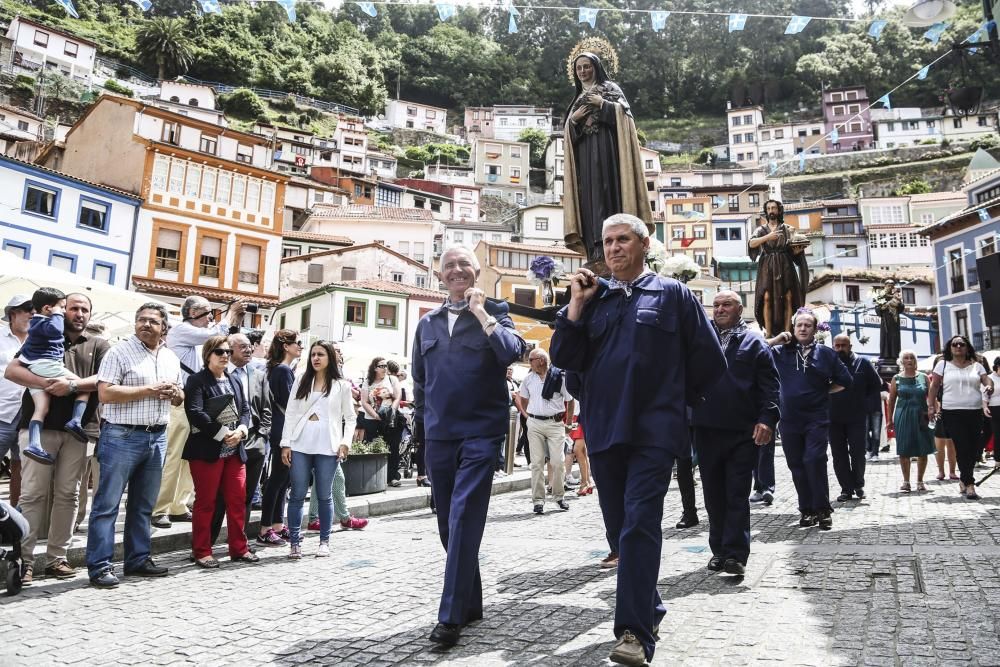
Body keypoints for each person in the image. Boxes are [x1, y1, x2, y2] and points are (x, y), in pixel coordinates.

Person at [550, 214, 726, 666]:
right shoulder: (594, 300)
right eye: (607, 241)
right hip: (605, 430)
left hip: (654, 432)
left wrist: (676, 405)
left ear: (645, 244)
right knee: (619, 531)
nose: (612, 248)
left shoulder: (673, 295)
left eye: (622, 239)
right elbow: (565, 358)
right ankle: (651, 604)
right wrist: (575, 305)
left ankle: (633, 632)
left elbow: (710, 361)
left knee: (639, 523)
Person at [412, 245, 526, 648]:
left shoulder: (497, 313)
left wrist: (481, 313)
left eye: (464, 265)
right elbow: (421, 384)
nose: (456, 271)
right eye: (449, 266)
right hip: (440, 436)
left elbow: (514, 352)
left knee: (463, 517)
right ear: (439, 274)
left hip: (482, 432)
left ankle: (450, 617)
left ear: (477, 272)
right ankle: (471, 600)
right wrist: (422, 438)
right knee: (447, 524)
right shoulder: (426, 324)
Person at [5, 293, 107, 585]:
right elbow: (13, 371)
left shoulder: (98, 344)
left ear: (90, 314)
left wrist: (71, 385)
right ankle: (23, 560)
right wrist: (48, 384)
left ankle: (56, 558)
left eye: (84, 309)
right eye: (73, 307)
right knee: (32, 494)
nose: (78, 313)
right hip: (39, 425)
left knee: (69, 494)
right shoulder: (45, 332)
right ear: (64, 310)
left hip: (79, 430)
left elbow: (105, 379)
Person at [86, 303, 183, 587]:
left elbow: (180, 399)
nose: (145, 325)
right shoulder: (119, 352)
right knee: (107, 505)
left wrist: (176, 393)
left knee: (143, 505)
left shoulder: (170, 357)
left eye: (153, 321)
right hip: (122, 436)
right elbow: (105, 393)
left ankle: (138, 560)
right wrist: (149, 390)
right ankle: (100, 566)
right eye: (141, 320)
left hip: (157, 435)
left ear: (164, 327)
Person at [691, 290, 779, 576]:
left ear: (740, 309)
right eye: (715, 305)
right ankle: (719, 550)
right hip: (706, 429)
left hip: (743, 431)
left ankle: (736, 554)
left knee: (736, 492)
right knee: (713, 494)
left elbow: (770, 385)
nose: (719, 309)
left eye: (726, 304)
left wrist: (767, 419)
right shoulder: (701, 341)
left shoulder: (754, 342)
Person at [152, 296, 244, 529]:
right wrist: (231, 314)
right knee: (174, 455)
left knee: (190, 456)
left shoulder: (196, 336)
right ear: (192, 314)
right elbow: (218, 338)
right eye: (207, 314)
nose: (211, 318)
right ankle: (159, 507)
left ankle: (179, 505)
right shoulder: (182, 330)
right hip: (180, 401)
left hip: (198, 399)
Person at [562, 51, 652, 266]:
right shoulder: (576, 99)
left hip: (609, 153)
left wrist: (603, 104)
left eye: (587, 66)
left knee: (608, 194)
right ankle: (595, 249)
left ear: (596, 67)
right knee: (589, 202)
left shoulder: (611, 89)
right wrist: (573, 122)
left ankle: (615, 243)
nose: (583, 71)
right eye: (579, 68)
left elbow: (625, 119)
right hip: (584, 158)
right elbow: (568, 134)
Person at [770, 311, 852, 530]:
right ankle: (807, 510)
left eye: (808, 325)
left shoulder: (826, 354)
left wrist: (825, 391)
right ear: (793, 328)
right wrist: (777, 339)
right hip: (788, 419)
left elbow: (845, 380)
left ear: (815, 329)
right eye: (799, 325)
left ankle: (823, 509)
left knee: (814, 460)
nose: (803, 328)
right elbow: (755, 350)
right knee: (796, 465)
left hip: (816, 418)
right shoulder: (780, 351)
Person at [183, 335, 255, 568]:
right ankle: (202, 551)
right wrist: (223, 432)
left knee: (237, 500)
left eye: (227, 352)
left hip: (235, 449)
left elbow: (245, 409)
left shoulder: (234, 379)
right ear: (208, 355)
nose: (225, 355)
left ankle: (239, 548)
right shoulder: (197, 380)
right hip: (207, 450)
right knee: (206, 502)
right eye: (219, 352)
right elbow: (195, 412)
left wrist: (242, 431)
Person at [282, 341, 357, 559]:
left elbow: (350, 418)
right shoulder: (301, 380)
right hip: (300, 444)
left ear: (329, 357)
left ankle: (324, 541)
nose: (315, 358)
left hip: (328, 445)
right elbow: (291, 413)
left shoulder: (341, 385)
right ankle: (294, 542)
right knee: (296, 494)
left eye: (321, 354)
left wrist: (346, 442)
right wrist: (286, 443)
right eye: (313, 354)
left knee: (324, 495)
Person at [15, 288, 91, 464]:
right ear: (48, 308)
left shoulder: (34, 324)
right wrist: (56, 314)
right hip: (47, 366)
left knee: (41, 409)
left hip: (33, 367)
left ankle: (34, 444)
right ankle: (75, 422)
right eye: (63, 307)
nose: (63, 312)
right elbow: (57, 330)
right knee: (82, 387)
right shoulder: (47, 323)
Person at [210, 333, 271, 546]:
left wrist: (262, 435)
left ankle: (238, 543)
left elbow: (266, 408)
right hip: (222, 441)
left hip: (253, 441)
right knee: (217, 497)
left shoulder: (259, 375)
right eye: (242, 347)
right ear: (229, 350)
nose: (248, 350)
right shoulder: (218, 373)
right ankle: (207, 543)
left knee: (244, 497)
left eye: (250, 347)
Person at [928, 336, 993, 500]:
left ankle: (964, 478)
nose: (958, 347)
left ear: (967, 347)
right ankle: (969, 484)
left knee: (974, 448)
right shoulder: (942, 365)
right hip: (952, 412)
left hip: (974, 411)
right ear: (950, 348)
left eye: (961, 344)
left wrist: (989, 386)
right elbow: (934, 386)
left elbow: (986, 380)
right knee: (963, 445)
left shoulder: (977, 366)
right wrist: (930, 407)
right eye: (954, 344)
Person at [257, 329, 302, 546]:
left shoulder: (278, 369)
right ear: (286, 346)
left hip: (280, 428)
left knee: (283, 479)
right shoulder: (283, 370)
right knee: (277, 479)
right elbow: (290, 404)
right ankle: (265, 528)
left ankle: (276, 525)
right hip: (283, 429)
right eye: (298, 343)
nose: (300, 347)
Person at [515, 348, 572, 514]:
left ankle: (559, 497)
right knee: (537, 463)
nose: (528, 362)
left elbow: (570, 400)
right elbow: (523, 400)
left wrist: (568, 423)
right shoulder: (528, 380)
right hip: (535, 424)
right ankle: (538, 501)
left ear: (540, 360)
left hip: (555, 423)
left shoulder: (559, 377)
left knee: (558, 462)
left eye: (530, 359)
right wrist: (528, 416)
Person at [829, 334, 882, 502]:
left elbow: (876, 385)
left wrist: (864, 403)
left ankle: (858, 484)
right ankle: (846, 488)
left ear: (850, 346)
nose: (840, 349)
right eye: (836, 346)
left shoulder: (863, 363)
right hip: (833, 417)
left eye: (843, 345)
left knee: (858, 452)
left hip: (857, 417)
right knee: (839, 454)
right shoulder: (829, 365)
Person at [748, 200, 809, 336]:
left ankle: (787, 331)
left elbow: (793, 247)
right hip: (767, 267)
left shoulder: (788, 229)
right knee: (767, 297)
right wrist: (769, 236)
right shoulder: (760, 230)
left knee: (788, 297)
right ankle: (769, 333)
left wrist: (797, 252)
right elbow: (752, 243)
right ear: (766, 211)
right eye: (768, 208)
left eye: (774, 208)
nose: (771, 211)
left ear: (779, 210)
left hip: (785, 265)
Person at [886, 350, 936, 492]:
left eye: (912, 357)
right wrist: (889, 420)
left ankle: (920, 481)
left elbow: (932, 396)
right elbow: (891, 401)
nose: (909, 360)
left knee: (923, 448)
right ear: (902, 361)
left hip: (922, 415)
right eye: (906, 358)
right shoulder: (896, 378)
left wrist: (934, 410)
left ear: (915, 360)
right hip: (903, 415)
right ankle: (906, 482)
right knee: (904, 448)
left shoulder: (924, 377)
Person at [0, 295, 32, 507]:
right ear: (13, 313)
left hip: (29, 417)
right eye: (27, 308)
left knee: (22, 473)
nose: (32, 313)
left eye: (35, 309)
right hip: (1, 413)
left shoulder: (39, 340)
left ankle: (13, 524)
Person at [360, 357, 402, 485]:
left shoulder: (392, 379)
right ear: (374, 368)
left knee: (393, 447)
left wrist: (392, 411)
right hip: (372, 419)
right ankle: (374, 478)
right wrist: (375, 415)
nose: (384, 368)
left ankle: (392, 476)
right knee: (373, 447)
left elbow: (397, 396)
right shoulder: (368, 382)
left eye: (385, 366)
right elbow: (364, 401)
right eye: (381, 366)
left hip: (390, 418)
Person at [875, 279, 905, 363]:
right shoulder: (881, 297)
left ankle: (895, 354)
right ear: (885, 286)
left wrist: (899, 303)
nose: (890, 287)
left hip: (894, 322)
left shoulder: (896, 296)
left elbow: (901, 308)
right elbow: (877, 308)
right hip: (885, 321)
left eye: (892, 285)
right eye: (888, 285)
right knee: (885, 337)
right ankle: (885, 355)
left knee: (895, 338)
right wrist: (882, 308)